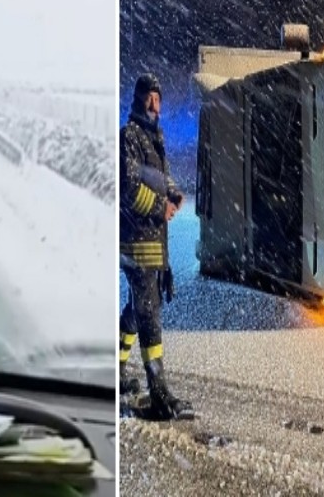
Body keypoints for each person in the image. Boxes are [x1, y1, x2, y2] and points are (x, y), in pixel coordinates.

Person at [118, 73, 193, 420]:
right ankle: (159, 392)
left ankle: (116, 372)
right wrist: (158, 207)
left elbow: (159, 178)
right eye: (149, 97)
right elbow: (130, 188)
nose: (154, 103)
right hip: (137, 242)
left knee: (136, 309)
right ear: (138, 99)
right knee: (149, 314)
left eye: (158, 98)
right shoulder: (129, 137)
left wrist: (173, 192)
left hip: (154, 242)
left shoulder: (154, 137)